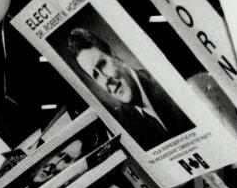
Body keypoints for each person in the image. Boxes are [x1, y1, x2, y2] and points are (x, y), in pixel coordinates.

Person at [65, 27, 193, 149]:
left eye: (103, 64)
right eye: (96, 75)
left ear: (115, 57)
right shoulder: (127, 119)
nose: (106, 80)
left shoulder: (165, 82)